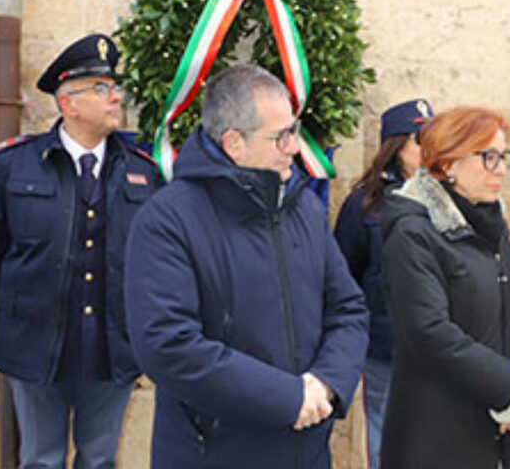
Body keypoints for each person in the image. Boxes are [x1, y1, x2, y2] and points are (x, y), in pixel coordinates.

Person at [123, 63, 368, 468]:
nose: (294, 146)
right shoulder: (167, 220)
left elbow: (348, 308)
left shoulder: (303, 207)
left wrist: (326, 384)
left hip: (306, 454)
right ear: (233, 143)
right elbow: (168, 345)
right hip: (216, 454)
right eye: (281, 136)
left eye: (294, 130)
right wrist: (287, 398)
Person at [0, 34, 164, 469]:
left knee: (101, 458)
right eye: (102, 89)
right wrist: (18, 308)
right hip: (35, 346)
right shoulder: (13, 165)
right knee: (40, 460)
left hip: (111, 349)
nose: (116, 97)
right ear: (68, 102)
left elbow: (152, 262)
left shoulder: (142, 172)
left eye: (116, 87)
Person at [379, 107, 510, 469]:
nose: (502, 169)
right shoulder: (413, 232)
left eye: (504, 156)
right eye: (488, 157)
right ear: (448, 163)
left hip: (498, 426)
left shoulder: (490, 224)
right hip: (437, 431)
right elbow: (429, 332)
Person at [332, 98, 433, 469]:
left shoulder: (446, 199)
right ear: (395, 146)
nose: (430, 150)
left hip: (438, 351)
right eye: (420, 140)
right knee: (386, 446)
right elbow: (344, 277)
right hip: (385, 351)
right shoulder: (364, 205)